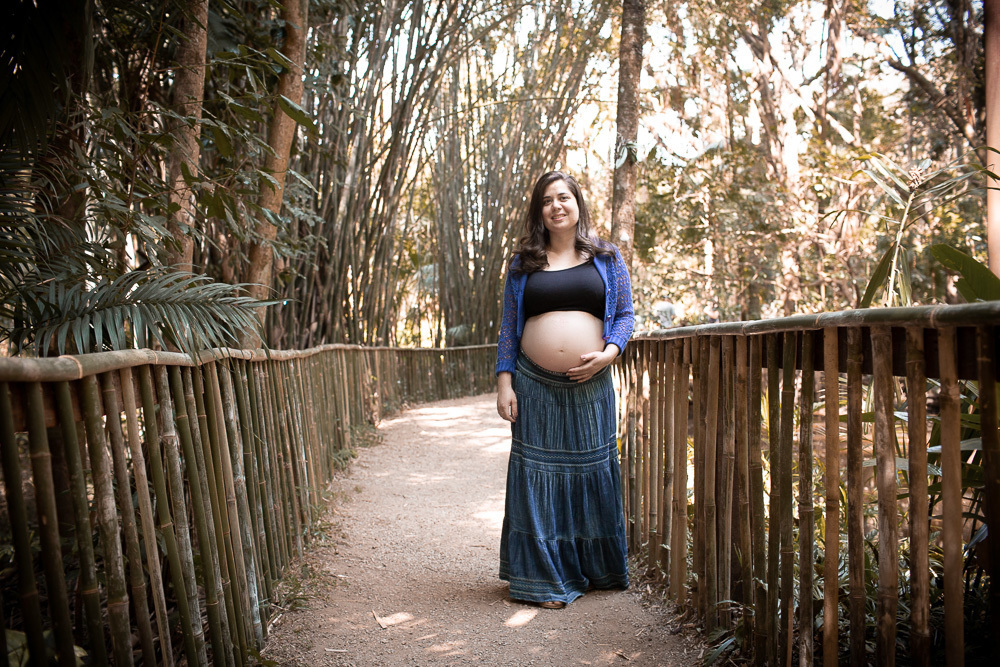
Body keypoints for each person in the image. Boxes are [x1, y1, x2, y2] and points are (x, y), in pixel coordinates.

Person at [495, 170, 634, 609]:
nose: (556, 206)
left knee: (591, 471)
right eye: (547, 201)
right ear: (539, 211)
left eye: (564, 198)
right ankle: (543, 577)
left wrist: (611, 351)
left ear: (578, 205)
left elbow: (627, 315)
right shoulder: (523, 265)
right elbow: (508, 330)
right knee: (537, 476)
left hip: (590, 386)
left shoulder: (607, 258)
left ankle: (594, 568)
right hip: (534, 383)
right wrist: (504, 383)